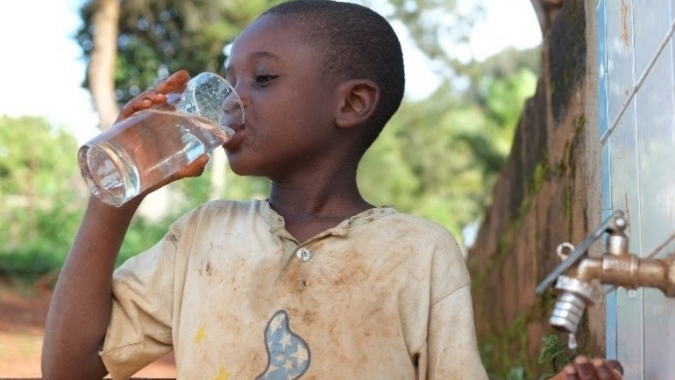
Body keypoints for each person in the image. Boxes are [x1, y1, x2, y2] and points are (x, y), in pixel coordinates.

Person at [41, 1, 622, 379]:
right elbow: (69, 368)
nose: (232, 100)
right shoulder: (201, 238)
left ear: (351, 103)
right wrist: (116, 191)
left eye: (263, 78)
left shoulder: (418, 252)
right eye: (230, 77)